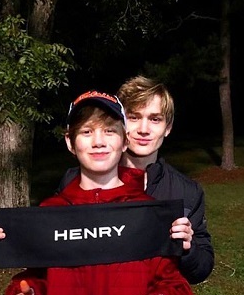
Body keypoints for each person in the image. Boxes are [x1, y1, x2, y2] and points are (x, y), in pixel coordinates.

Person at [0, 90, 199, 295]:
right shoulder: (50, 212)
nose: (98, 141)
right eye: (86, 132)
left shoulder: (149, 214)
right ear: (70, 143)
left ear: (124, 141)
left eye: (109, 131)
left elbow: (175, 290)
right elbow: (35, 282)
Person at [57, 75, 214, 284]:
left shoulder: (186, 192)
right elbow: (56, 253)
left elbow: (202, 268)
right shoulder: (75, 180)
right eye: (134, 117)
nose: (143, 129)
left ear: (168, 127)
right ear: (119, 124)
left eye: (155, 119)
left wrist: (188, 248)